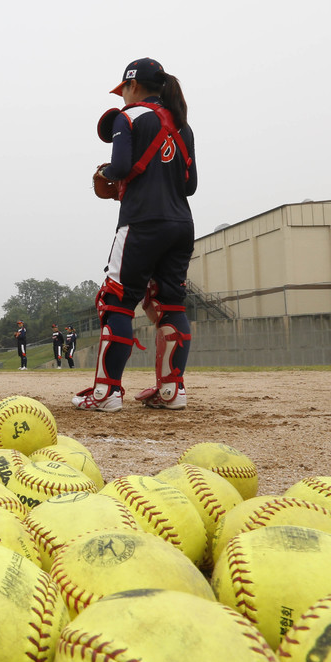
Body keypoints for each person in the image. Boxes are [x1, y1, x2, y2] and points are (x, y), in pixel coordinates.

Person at [75, 58, 196, 412]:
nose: (122, 95)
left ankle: (106, 394)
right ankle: (172, 392)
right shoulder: (183, 126)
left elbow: (123, 167)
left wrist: (107, 171)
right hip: (181, 225)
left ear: (132, 86)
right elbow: (190, 185)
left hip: (141, 223)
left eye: (123, 89)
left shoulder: (125, 118)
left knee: (116, 302)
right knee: (170, 305)